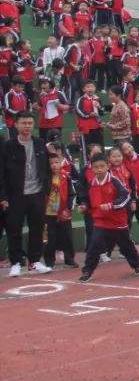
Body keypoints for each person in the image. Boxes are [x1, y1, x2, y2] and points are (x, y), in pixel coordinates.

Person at [0, 111, 51, 275]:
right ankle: (16, 262)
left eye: (30, 123)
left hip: (36, 193)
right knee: (14, 228)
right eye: (24, 123)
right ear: (16, 124)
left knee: (37, 228)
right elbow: (1, 173)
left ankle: (34, 261)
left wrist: (46, 189)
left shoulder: (40, 143)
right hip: (16, 195)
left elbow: (46, 169)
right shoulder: (8, 146)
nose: (27, 126)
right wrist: (3, 196)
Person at [78, 153, 139, 283]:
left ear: (108, 166)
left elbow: (126, 196)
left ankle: (136, 265)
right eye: (96, 167)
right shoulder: (91, 184)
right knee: (94, 244)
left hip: (117, 221)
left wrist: (112, 205)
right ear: (92, 168)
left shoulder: (114, 181)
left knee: (126, 245)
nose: (99, 169)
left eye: (102, 166)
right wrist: (84, 206)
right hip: (100, 221)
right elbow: (87, 199)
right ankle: (88, 270)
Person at [43, 152, 76, 269]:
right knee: (49, 237)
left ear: (60, 163)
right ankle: (49, 260)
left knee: (67, 236)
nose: (54, 165)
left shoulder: (65, 177)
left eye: (56, 162)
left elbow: (72, 194)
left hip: (63, 211)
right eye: (51, 163)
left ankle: (69, 258)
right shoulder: (45, 178)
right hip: (49, 212)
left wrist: (68, 209)